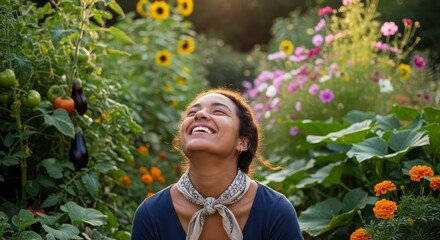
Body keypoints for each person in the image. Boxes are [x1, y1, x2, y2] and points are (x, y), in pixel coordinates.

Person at [131, 88, 304, 240]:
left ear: (242, 142)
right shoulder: (151, 214)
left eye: (219, 111)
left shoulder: (275, 211)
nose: (199, 115)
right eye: (192, 113)